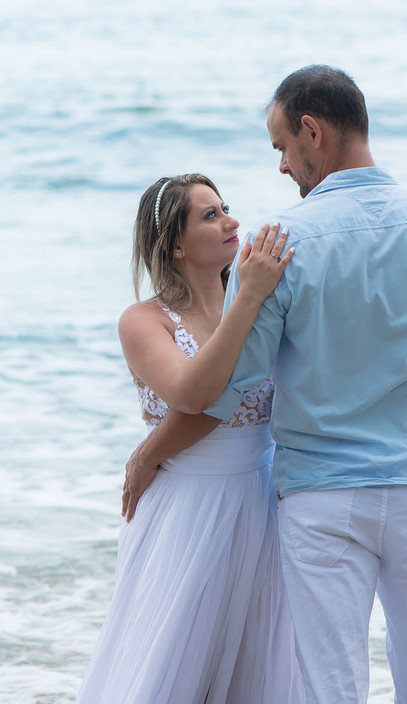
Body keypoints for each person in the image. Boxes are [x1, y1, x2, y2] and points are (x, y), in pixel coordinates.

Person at [126, 67, 407, 704]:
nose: (283, 166)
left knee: (330, 689)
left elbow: (233, 388)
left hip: (321, 499)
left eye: (283, 147)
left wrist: (151, 451)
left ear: (313, 132)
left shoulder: (280, 243)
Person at [76, 173, 303, 704]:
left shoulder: (265, 299)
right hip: (187, 510)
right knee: (174, 667)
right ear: (174, 245)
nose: (231, 222)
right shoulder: (143, 321)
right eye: (210, 215)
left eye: (225, 208)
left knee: (257, 667)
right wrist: (248, 298)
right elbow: (195, 394)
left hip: (265, 501)